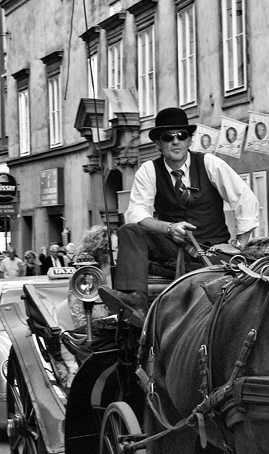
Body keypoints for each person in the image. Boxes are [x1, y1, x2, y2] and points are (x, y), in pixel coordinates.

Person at [98, 106, 260, 327]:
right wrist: (168, 228)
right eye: (168, 137)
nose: (176, 141)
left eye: (181, 135)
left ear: (189, 140)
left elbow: (246, 199)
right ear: (158, 144)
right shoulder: (149, 170)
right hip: (173, 247)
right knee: (129, 230)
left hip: (211, 250)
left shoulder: (210, 164)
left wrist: (239, 245)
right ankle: (135, 301)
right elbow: (136, 212)